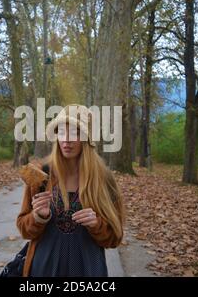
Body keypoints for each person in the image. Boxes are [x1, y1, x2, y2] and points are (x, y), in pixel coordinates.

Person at [16, 104, 125, 277]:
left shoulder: (104, 179)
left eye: (75, 133)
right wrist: (38, 217)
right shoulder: (39, 173)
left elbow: (114, 238)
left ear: (87, 138)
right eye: (61, 132)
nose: (66, 139)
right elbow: (24, 229)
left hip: (88, 268)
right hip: (44, 268)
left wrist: (97, 224)